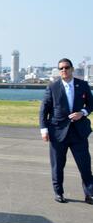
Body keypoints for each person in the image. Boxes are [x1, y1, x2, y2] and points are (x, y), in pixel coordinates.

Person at [40, 58, 93, 204]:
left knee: (85, 165)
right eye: (61, 68)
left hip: (78, 133)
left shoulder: (82, 85)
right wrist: (44, 130)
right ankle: (59, 193)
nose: (64, 70)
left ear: (72, 69)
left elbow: (91, 104)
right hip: (57, 133)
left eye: (66, 67)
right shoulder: (52, 87)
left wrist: (82, 112)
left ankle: (90, 194)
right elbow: (44, 109)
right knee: (57, 165)